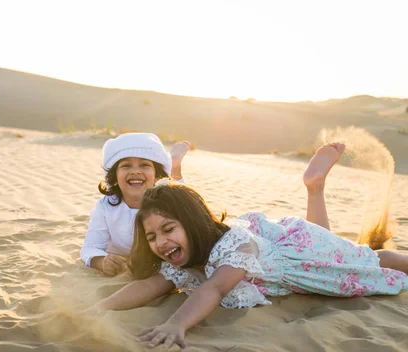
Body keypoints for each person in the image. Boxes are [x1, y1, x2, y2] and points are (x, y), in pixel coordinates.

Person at [92, 143, 408, 349]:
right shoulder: (183, 259)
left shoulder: (235, 248)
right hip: (291, 252)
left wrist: (176, 324)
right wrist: (100, 308)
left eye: (169, 230)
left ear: (194, 224)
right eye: (152, 237)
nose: (161, 242)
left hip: (300, 253)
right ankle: (315, 189)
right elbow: (150, 286)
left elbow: (214, 289)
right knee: (339, 246)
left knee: (368, 259)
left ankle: (315, 188)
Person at [80, 132, 191, 276]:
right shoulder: (105, 206)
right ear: (114, 176)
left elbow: (188, 210)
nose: (136, 171)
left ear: (156, 174)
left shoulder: (166, 202)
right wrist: (101, 262)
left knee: (177, 193)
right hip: (124, 259)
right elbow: (90, 247)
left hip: (158, 261)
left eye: (145, 165)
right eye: (126, 166)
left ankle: (174, 167)